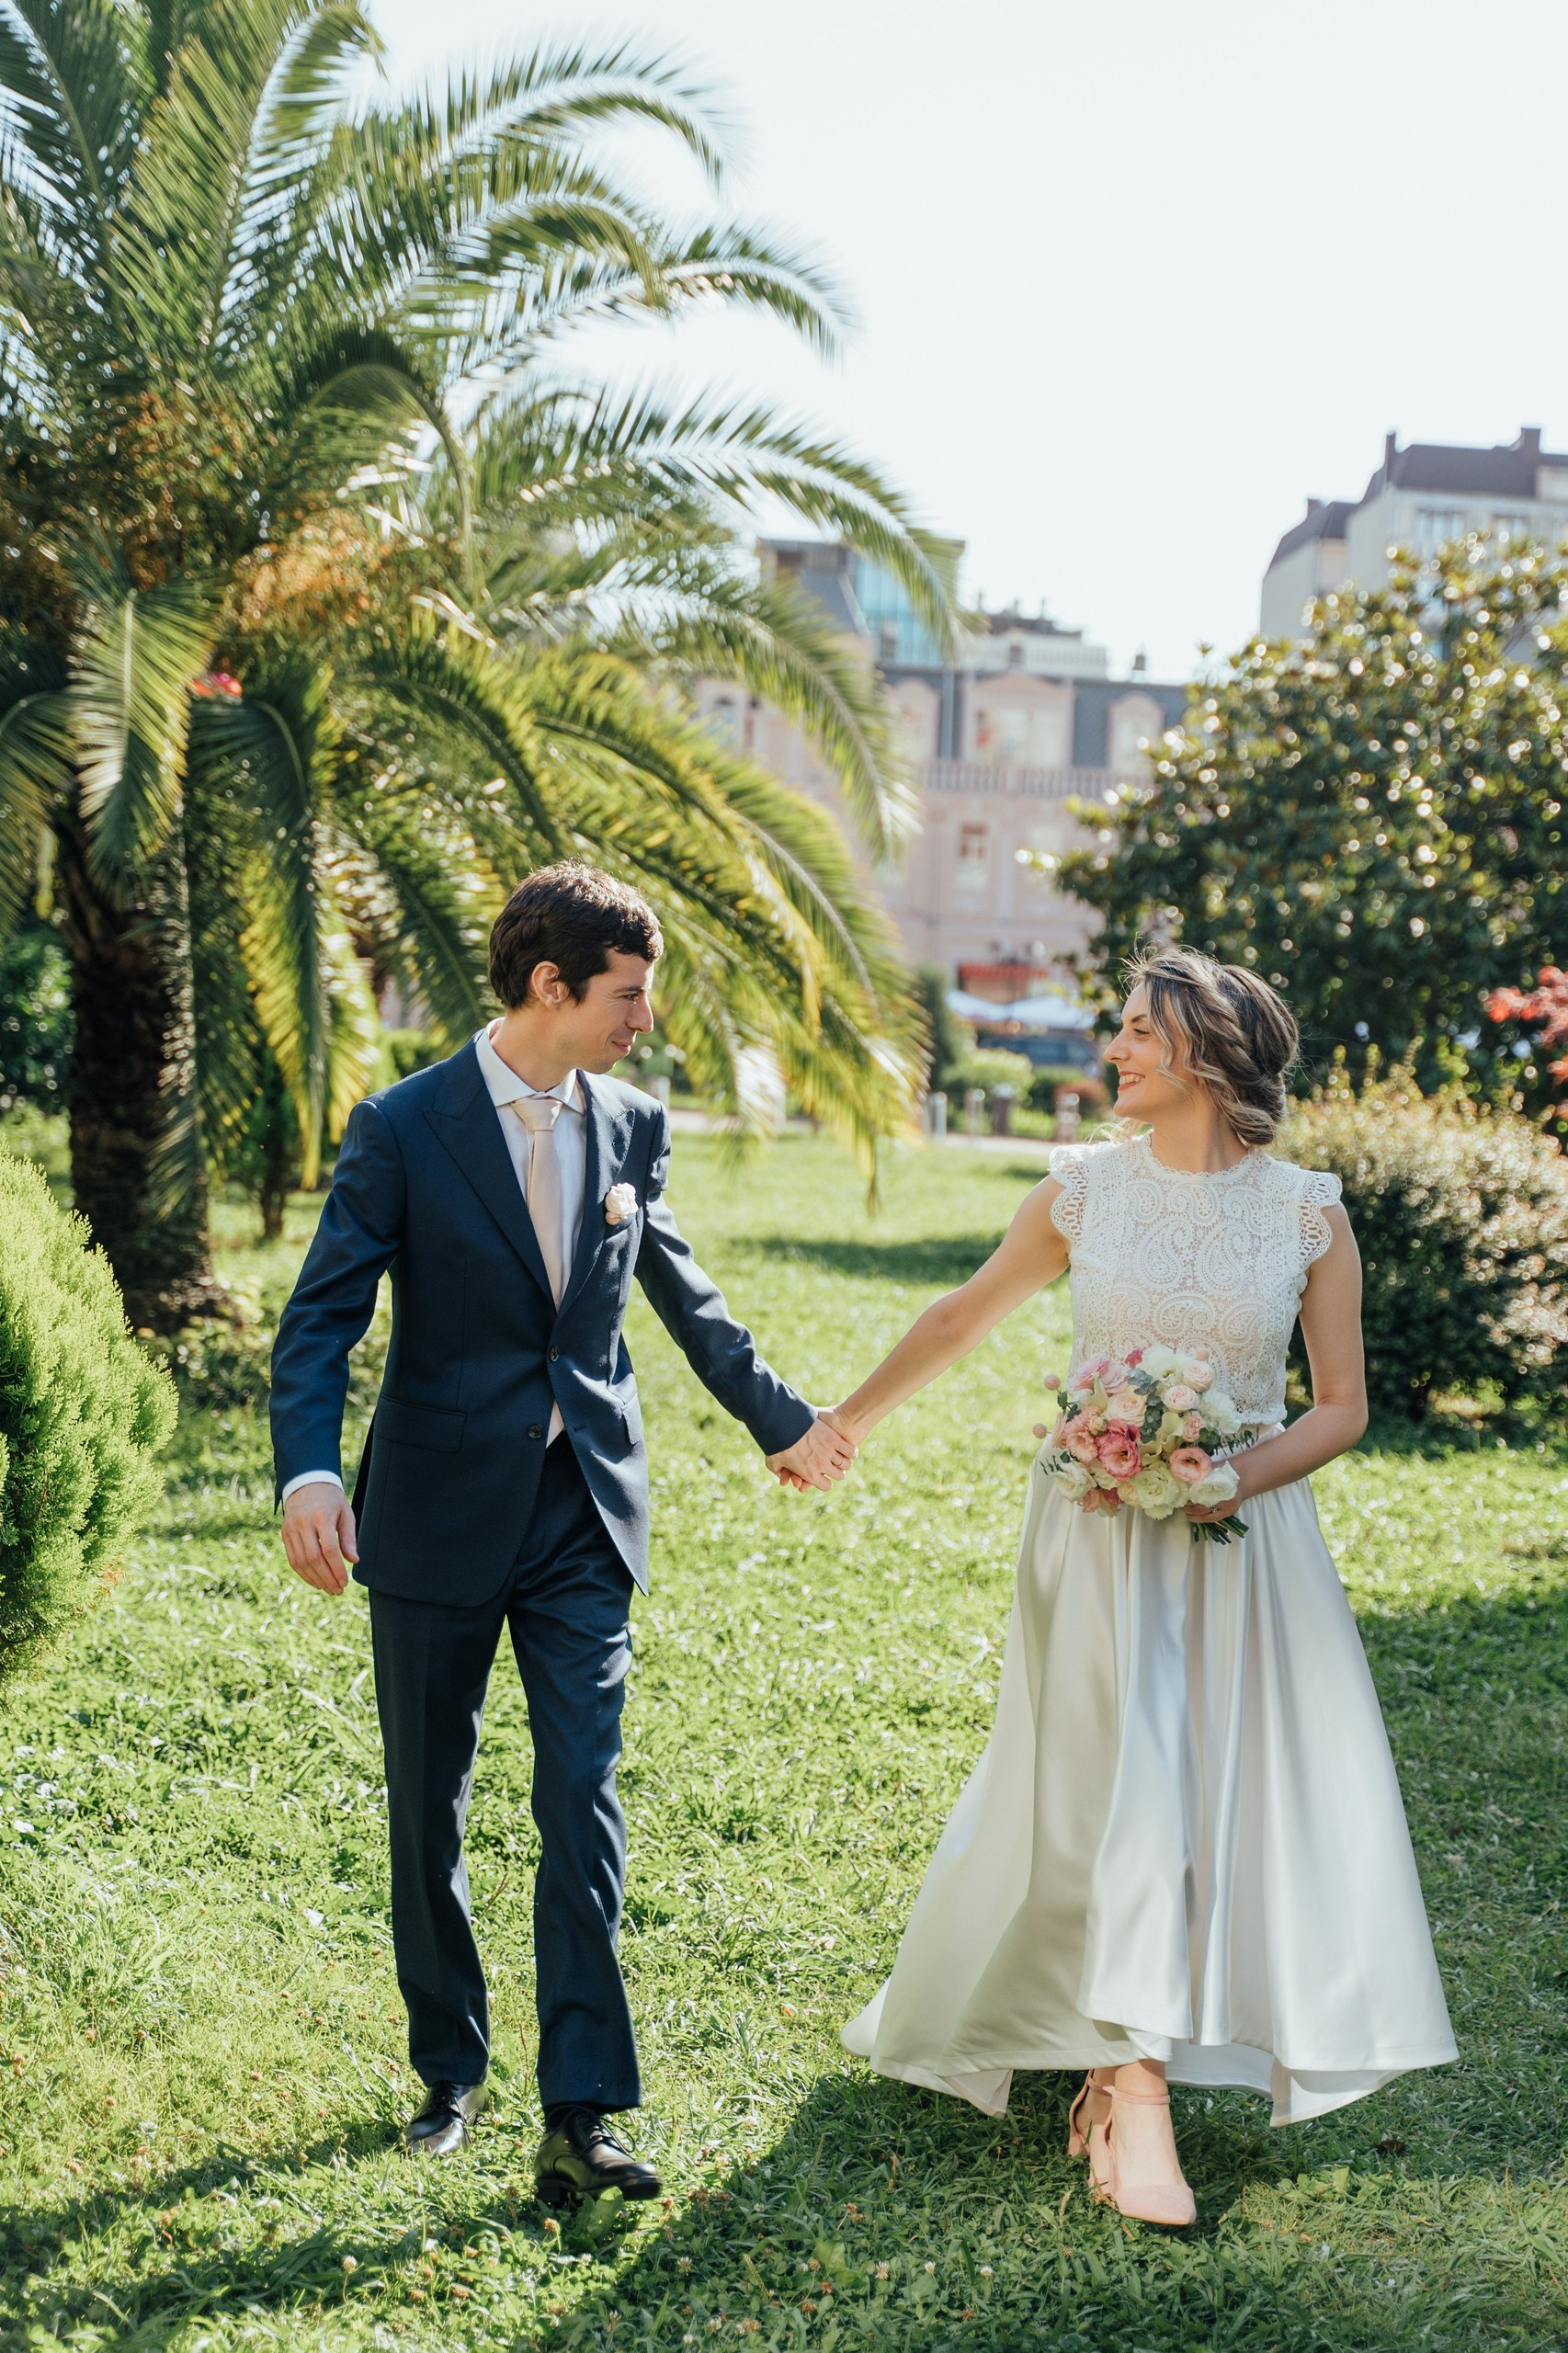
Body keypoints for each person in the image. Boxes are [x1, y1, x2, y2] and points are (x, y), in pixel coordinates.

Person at [830, 948, 1454, 2225]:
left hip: (1242, 1548)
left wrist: (1227, 1479)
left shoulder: (1307, 1215)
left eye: (1133, 1032)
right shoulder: (1077, 1193)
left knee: (1193, 1799)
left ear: (1207, 1054)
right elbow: (961, 1316)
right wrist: (842, 1422)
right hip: (1093, 1535)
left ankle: (1123, 2071)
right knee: (1109, 1791)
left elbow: (1340, 1408)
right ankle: (1133, 2088)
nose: (1110, 1050)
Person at [270, 863, 853, 2202]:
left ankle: (582, 2108)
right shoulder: (404, 1126)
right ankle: (448, 2069)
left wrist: (783, 1421)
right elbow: (320, 1319)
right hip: (431, 1509)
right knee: (428, 1800)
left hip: (581, 1509)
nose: (645, 1020)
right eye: (628, 996)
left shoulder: (633, 1123)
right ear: (552, 985)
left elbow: (684, 1293)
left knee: (579, 1798)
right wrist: (308, 1474)